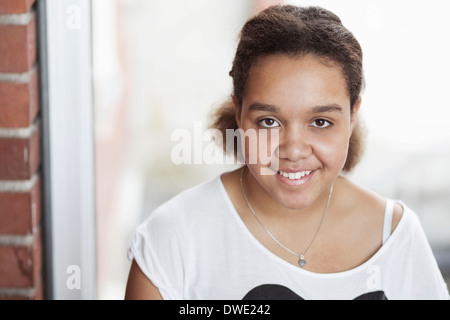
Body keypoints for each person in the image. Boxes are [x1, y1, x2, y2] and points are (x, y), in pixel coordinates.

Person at [125, 5, 449, 300]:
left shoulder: (395, 236)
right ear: (239, 114)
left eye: (320, 121)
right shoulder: (173, 237)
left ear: (352, 117)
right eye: (268, 121)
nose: (293, 149)